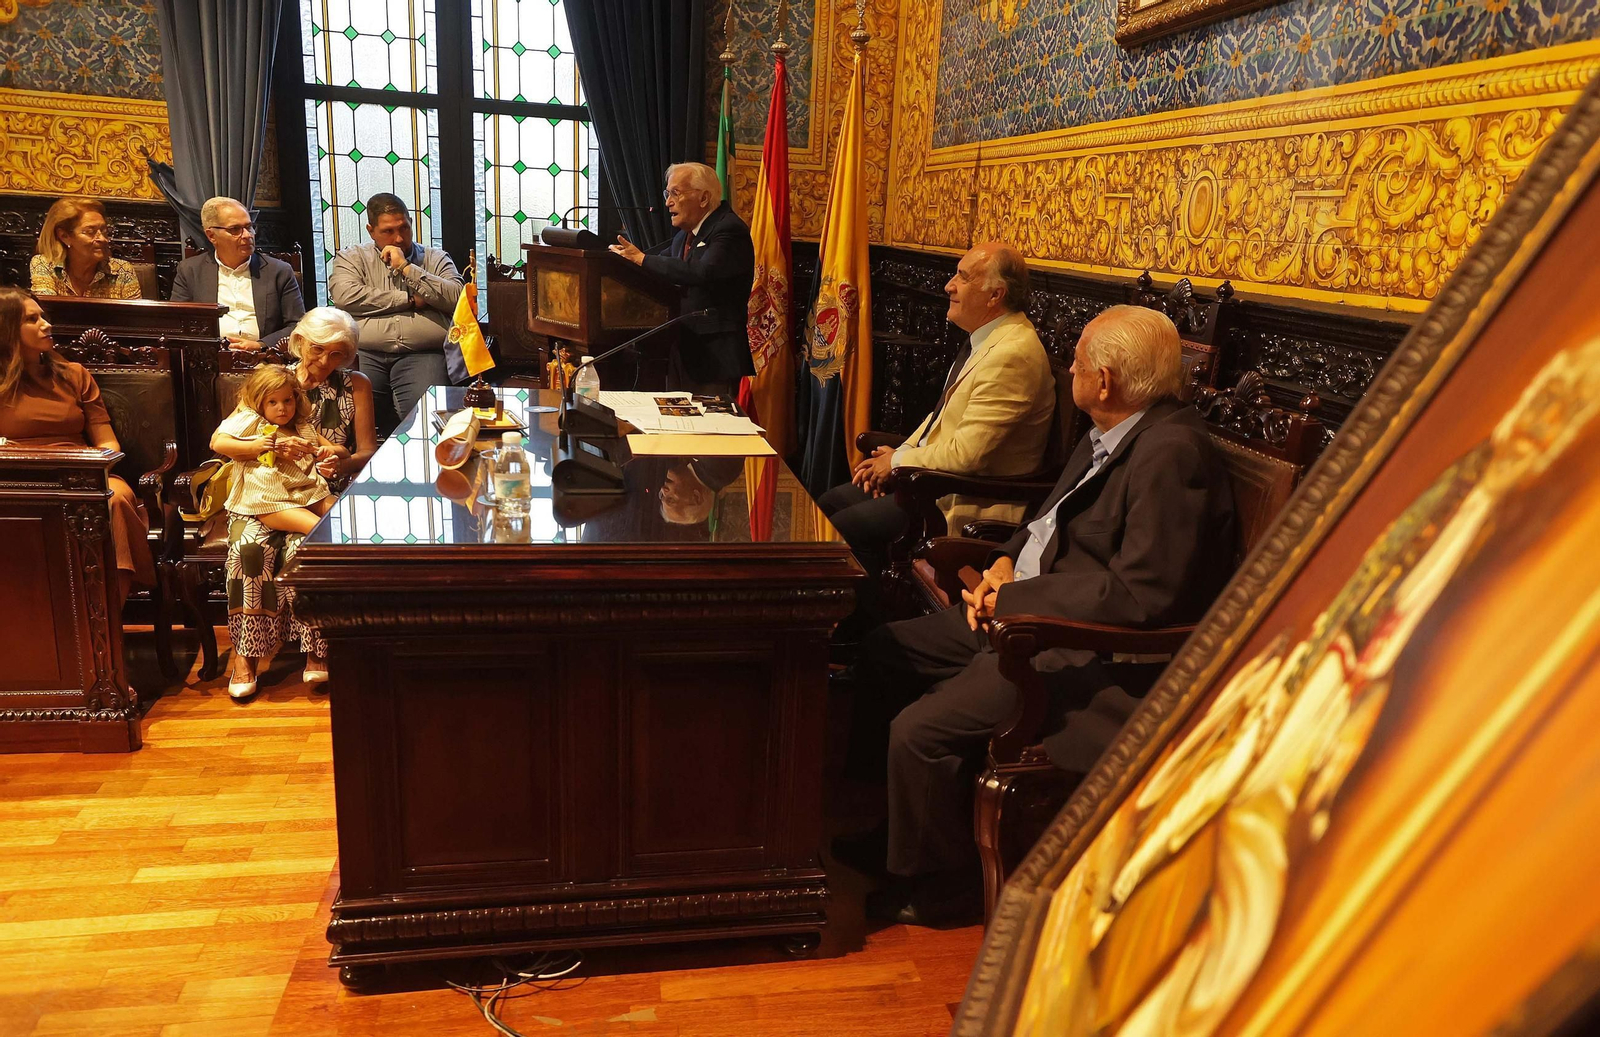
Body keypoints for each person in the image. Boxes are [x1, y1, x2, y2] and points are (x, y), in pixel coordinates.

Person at [846, 305, 1237, 927]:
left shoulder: (1171, 454)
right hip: (1016, 609)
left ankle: (943, 883)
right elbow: (1045, 524)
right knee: (882, 654)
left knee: (919, 732)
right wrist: (1002, 563)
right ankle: (894, 830)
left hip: (1071, 648)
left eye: (1076, 362)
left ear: (1104, 381)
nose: (1068, 369)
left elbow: (1145, 596)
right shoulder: (1108, 429)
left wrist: (1015, 602)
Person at [818, 242, 1055, 593]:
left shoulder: (1013, 354)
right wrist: (898, 457)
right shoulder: (989, 339)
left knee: (844, 528)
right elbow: (940, 417)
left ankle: (874, 618)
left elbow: (966, 455)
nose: (949, 286)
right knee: (829, 503)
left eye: (963, 277)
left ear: (995, 295)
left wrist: (897, 464)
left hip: (965, 501)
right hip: (934, 483)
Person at [220, 307, 377, 700]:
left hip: (317, 488)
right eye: (318, 350)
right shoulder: (272, 382)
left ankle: (318, 650)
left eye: (338, 354)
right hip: (262, 491)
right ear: (300, 342)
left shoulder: (355, 385)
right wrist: (267, 446)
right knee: (248, 549)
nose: (325, 361)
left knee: (309, 549)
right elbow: (225, 441)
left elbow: (364, 452)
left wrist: (339, 460)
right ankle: (245, 655)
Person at [0, 287, 154, 602]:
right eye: (32, 319)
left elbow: (107, 442)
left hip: (83, 473)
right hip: (19, 480)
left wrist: (90, 468)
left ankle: (105, 621)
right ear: (7, 330)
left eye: (43, 316)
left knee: (116, 499)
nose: (46, 324)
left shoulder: (74, 375)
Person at [608, 162, 756, 397]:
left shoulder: (729, 229)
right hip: (680, 349)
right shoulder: (682, 238)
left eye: (675, 193)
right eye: (667, 194)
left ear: (704, 198)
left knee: (711, 421)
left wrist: (642, 259)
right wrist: (623, 260)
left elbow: (701, 272)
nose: (668, 202)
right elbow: (659, 266)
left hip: (713, 359)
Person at [327, 192, 462, 433]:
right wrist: (408, 300)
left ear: (411, 222)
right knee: (351, 414)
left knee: (428, 417)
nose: (399, 238)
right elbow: (345, 296)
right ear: (371, 231)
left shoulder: (435, 258)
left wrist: (407, 268)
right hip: (365, 352)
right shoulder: (352, 258)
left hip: (423, 353)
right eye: (388, 231)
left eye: (404, 228)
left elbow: (458, 298)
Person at [210, 365, 340, 536]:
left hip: (308, 491)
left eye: (287, 401)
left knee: (345, 515)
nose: (282, 408)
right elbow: (219, 444)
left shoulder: (302, 427)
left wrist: (328, 454)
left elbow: (339, 450)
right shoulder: (253, 421)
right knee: (322, 529)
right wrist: (257, 446)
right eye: (272, 402)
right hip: (271, 499)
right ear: (260, 402)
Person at [170, 196, 306, 348]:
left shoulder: (278, 271)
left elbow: (297, 325)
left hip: (264, 357)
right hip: (209, 356)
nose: (247, 235)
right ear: (211, 235)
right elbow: (176, 323)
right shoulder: (190, 271)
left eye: (249, 227)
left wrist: (260, 345)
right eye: (235, 229)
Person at [29, 197, 141, 299]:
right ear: (64, 236)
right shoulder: (45, 265)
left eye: (104, 231)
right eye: (90, 232)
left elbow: (135, 314)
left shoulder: (122, 271)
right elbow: (45, 310)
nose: (102, 239)